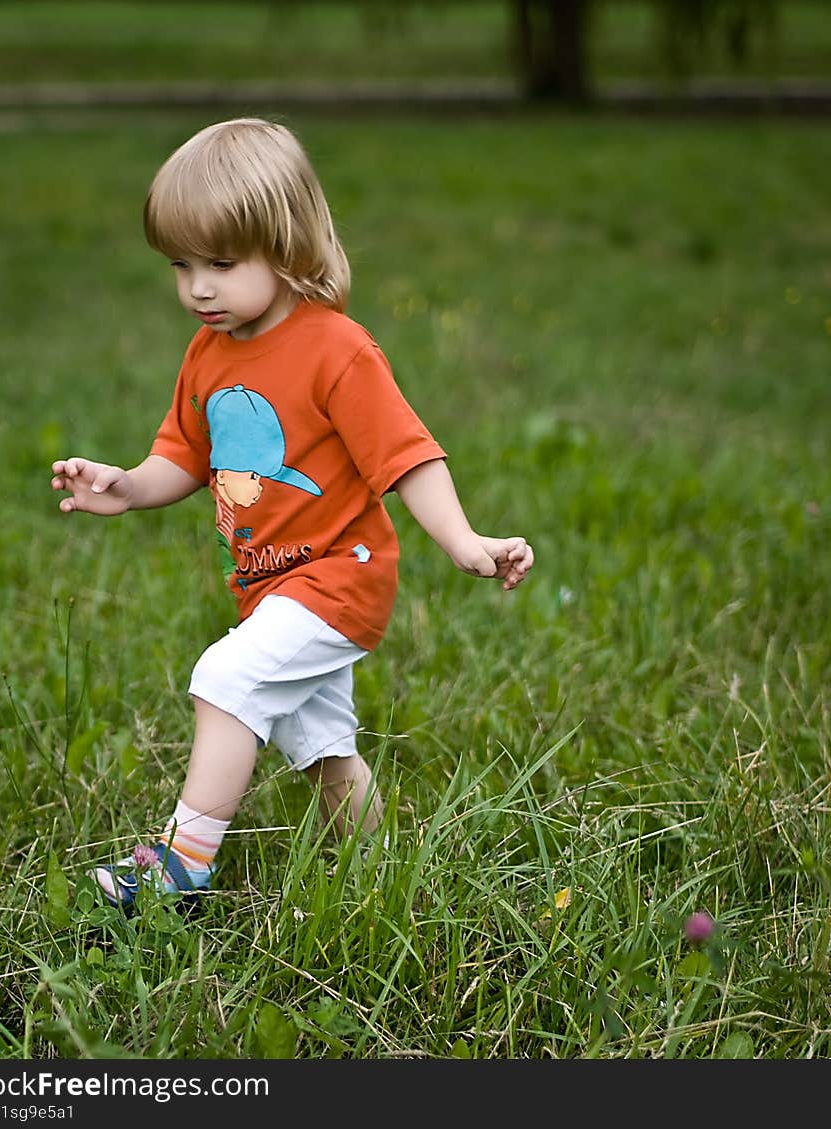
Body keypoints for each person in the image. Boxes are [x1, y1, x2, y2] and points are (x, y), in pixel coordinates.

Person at [50, 118, 534, 912]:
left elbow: (406, 454)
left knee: (227, 676)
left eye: (221, 262)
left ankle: (179, 870)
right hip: (270, 588)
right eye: (180, 265)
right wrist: (127, 486)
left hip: (339, 577)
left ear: (286, 246)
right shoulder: (208, 353)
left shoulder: (336, 350)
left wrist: (462, 539)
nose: (197, 287)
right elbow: (184, 456)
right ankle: (387, 880)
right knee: (323, 751)